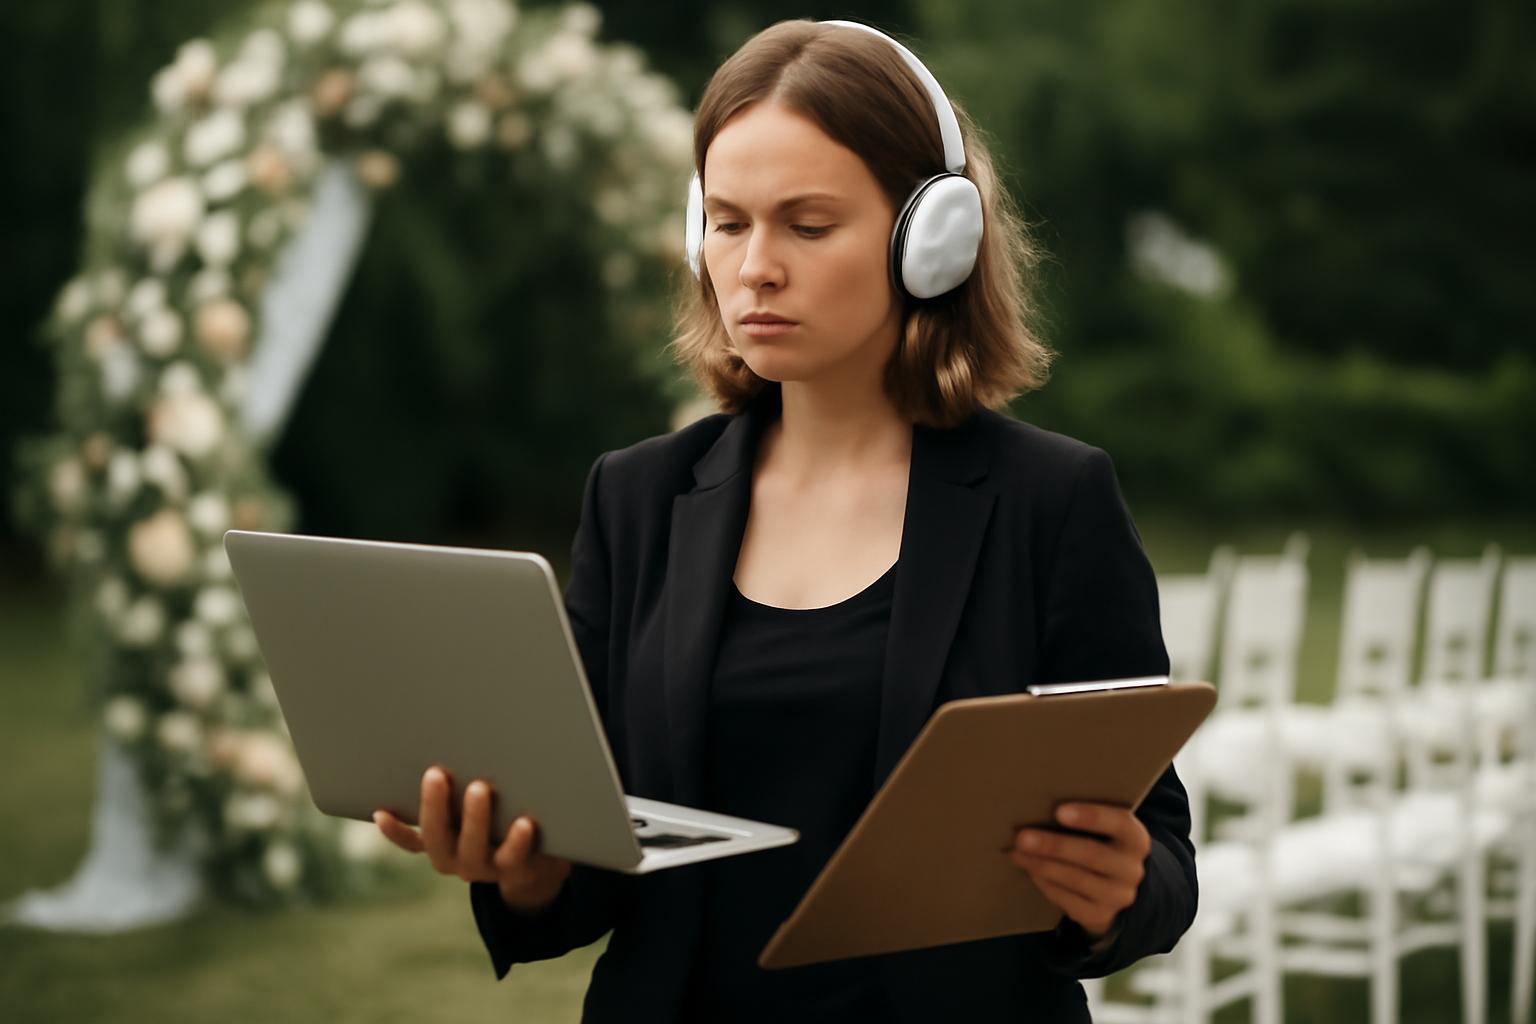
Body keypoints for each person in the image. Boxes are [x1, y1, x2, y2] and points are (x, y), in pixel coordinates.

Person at [374, 18, 1196, 1023]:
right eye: (727, 223)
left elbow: (1160, 866)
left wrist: (1114, 895)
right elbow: (593, 868)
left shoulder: (1052, 503)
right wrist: (522, 869)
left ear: (931, 239)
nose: (755, 266)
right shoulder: (635, 500)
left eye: (807, 227)